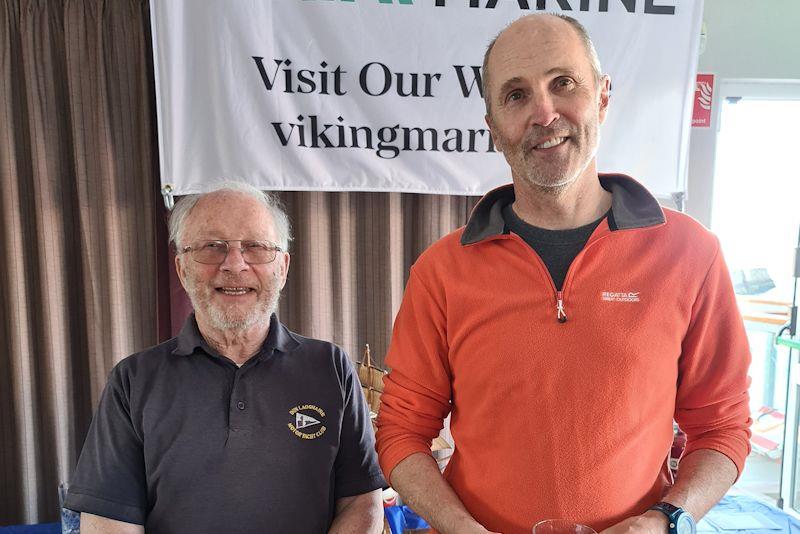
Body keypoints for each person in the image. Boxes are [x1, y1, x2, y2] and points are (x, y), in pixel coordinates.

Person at [375, 14, 751, 534]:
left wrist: (667, 520)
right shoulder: (441, 272)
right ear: (493, 128)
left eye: (563, 83)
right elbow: (401, 430)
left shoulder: (691, 254)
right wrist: (459, 527)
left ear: (602, 96)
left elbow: (721, 426)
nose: (544, 113)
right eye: (515, 95)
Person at [65, 182, 386, 533]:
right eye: (212, 247)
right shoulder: (133, 380)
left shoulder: (330, 367)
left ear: (282, 267)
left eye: (256, 247)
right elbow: (108, 522)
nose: (235, 265)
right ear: (182, 269)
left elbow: (362, 501)